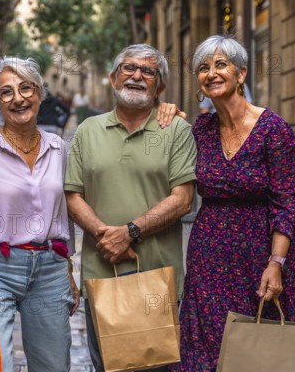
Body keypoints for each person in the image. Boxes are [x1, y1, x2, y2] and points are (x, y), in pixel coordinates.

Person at [168, 35, 295, 371]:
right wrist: (166, 109)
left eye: (221, 65)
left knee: (264, 350)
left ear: (241, 75)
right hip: (211, 257)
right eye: (203, 68)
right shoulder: (200, 130)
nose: (212, 73)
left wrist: (276, 263)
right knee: (208, 349)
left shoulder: (274, 129)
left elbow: (287, 202)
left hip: (265, 251)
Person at [64, 43, 197, 372]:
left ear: (159, 87)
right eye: (128, 68)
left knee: (159, 366)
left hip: (158, 278)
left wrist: (130, 232)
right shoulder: (87, 131)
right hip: (102, 277)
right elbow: (72, 195)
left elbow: (183, 199)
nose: (137, 76)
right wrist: (104, 234)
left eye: (148, 71)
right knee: (107, 366)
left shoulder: (176, 130)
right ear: (113, 78)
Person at [0, 57, 79, 372]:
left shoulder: (59, 148)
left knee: (53, 366)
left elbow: (64, 217)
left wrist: (67, 271)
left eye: (25, 88)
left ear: (38, 93)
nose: (18, 98)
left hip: (49, 270)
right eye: (6, 92)